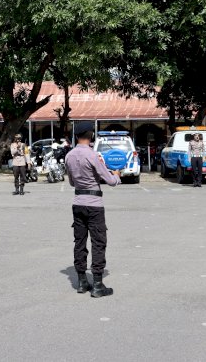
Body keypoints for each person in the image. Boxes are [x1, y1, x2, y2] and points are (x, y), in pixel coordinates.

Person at [65, 121, 120, 298]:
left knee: (79, 241)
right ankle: (97, 284)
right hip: (94, 204)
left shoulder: (69, 156)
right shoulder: (93, 155)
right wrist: (116, 175)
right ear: (91, 136)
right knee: (98, 242)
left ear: (76, 136)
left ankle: (82, 281)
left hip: (78, 202)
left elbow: (72, 182)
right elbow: (110, 181)